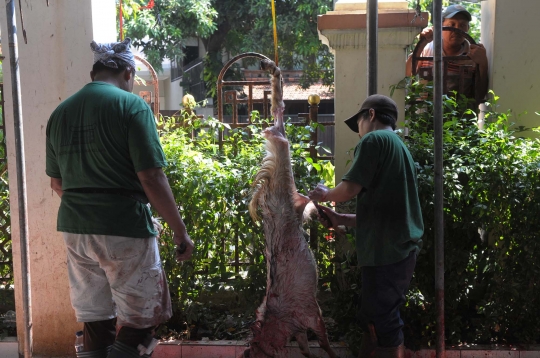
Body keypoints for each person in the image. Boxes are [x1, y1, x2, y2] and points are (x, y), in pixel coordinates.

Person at [45, 38, 194, 358]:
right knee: (142, 320)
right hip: (124, 225)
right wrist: (180, 233)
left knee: (96, 319)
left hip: (75, 227)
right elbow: (152, 177)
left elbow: (57, 182)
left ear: (94, 71)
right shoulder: (132, 106)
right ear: (128, 72)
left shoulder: (61, 112)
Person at [308, 95, 424, 358]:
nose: (358, 131)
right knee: (373, 319)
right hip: (396, 250)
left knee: (382, 321)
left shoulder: (374, 140)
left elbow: (349, 189)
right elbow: (385, 214)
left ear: (370, 115)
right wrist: (340, 220)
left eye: (357, 122)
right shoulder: (399, 147)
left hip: (387, 253)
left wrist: (324, 194)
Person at [405, 4, 489, 104]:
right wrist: (421, 45)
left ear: (468, 28)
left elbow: (479, 95)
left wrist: (483, 64)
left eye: (462, 25)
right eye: (451, 25)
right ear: (440, 27)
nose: (457, 30)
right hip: (426, 115)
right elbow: (407, 76)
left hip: (459, 117)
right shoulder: (428, 49)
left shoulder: (473, 55)